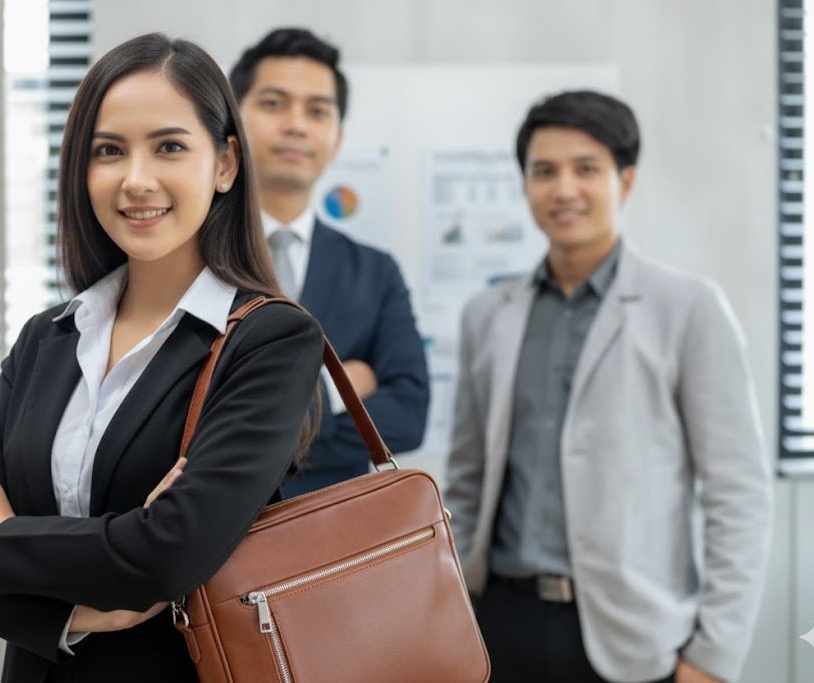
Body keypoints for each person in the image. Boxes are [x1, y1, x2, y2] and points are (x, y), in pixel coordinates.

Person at [0, 33, 324, 683]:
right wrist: (77, 611)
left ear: (224, 164)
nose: (136, 180)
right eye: (109, 151)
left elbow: (167, 554)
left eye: (168, 146)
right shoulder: (46, 337)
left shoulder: (269, 341)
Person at [444, 90, 772, 683]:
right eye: (545, 171)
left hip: (634, 637)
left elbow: (738, 494)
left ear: (625, 180)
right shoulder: (487, 315)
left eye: (586, 169)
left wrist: (712, 655)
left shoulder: (689, 309)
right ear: (525, 186)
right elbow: (466, 483)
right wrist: (446, 608)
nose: (563, 189)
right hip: (495, 623)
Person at [229, 28, 429, 496]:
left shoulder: (375, 272)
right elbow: (178, 422)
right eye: (275, 104)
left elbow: (410, 415)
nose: (297, 125)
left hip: (329, 550)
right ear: (234, 123)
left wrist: (256, 420)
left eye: (317, 110)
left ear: (337, 138)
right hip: (205, 553)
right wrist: (339, 389)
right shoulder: (192, 258)